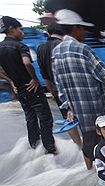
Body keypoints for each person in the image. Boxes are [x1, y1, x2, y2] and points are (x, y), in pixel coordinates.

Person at [52, 9, 105, 169]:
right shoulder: (83, 49)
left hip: (78, 110)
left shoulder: (56, 52)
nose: (84, 31)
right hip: (96, 108)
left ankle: (90, 173)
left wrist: (68, 107)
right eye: (82, 28)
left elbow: (59, 85)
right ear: (75, 28)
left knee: (88, 142)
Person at [0, 16, 57, 154]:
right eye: (20, 29)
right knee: (45, 118)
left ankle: (35, 147)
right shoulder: (21, 46)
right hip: (32, 89)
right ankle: (50, 149)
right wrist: (34, 79)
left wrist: (11, 81)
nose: (22, 32)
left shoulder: (0, 47)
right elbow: (26, 62)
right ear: (12, 29)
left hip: (19, 90)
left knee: (30, 118)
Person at [36, 22, 81, 146]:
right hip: (73, 88)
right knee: (84, 118)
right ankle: (91, 150)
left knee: (69, 120)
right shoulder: (65, 45)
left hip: (57, 90)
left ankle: (79, 147)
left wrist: (52, 92)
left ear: (49, 33)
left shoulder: (41, 48)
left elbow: (45, 75)